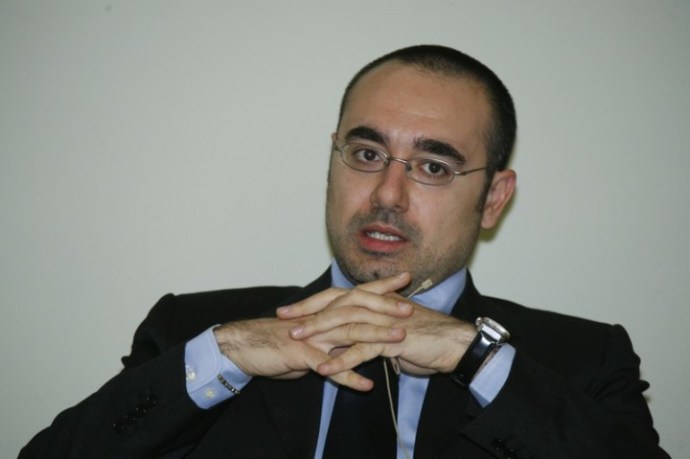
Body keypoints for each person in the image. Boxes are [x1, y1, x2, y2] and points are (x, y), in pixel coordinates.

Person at [20, 45, 668, 459]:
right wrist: (224, 353)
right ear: (332, 162)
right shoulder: (194, 332)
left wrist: (475, 358)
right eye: (365, 153)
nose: (387, 193)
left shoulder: (580, 358)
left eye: (433, 166)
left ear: (493, 198)